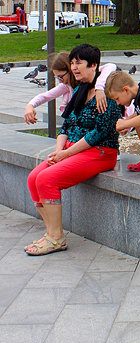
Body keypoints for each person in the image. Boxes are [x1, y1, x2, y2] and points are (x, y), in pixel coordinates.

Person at [25, 44, 122, 256]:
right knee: (33, 178)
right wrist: (58, 150)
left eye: (79, 63)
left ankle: (56, 238)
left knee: (46, 179)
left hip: (100, 153)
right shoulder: (79, 90)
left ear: (94, 65)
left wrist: (65, 154)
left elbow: (99, 133)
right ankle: (52, 232)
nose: (74, 67)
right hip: (72, 149)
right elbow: (67, 124)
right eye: (72, 63)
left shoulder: (106, 93)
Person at [23, 51, 118, 123]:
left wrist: (99, 88)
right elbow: (45, 96)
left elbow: (111, 66)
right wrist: (30, 106)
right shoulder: (66, 85)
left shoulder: (90, 76)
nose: (59, 80)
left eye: (60, 76)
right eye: (57, 77)